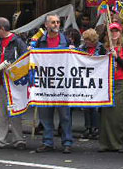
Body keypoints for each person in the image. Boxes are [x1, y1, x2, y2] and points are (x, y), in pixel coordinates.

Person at [35, 14, 73, 154]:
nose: (56, 24)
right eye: (53, 22)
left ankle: (67, 142)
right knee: (45, 115)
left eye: (57, 22)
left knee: (65, 116)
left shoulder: (66, 41)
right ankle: (47, 142)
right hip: (45, 84)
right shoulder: (40, 41)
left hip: (62, 84)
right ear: (46, 25)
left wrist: (73, 52)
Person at [0, 17, 27, 151]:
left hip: (14, 84)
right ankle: (0, 140)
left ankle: (18, 139)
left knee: (15, 112)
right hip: (0, 82)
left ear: (2, 29)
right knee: (0, 113)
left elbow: (25, 59)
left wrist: (13, 67)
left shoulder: (18, 42)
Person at [98, 23, 123, 152]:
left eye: (116, 31)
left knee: (120, 113)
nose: (114, 33)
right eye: (112, 31)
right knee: (107, 113)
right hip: (107, 83)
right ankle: (106, 143)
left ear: (120, 33)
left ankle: (121, 142)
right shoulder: (103, 48)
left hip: (121, 82)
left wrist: (117, 58)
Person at [77, 29, 105, 140]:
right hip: (86, 79)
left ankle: (96, 127)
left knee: (95, 106)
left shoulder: (101, 48)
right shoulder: (82, 48)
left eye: (88, 40)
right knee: (86, 106)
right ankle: (87, 127)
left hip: (97, 79)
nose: (86, 42)